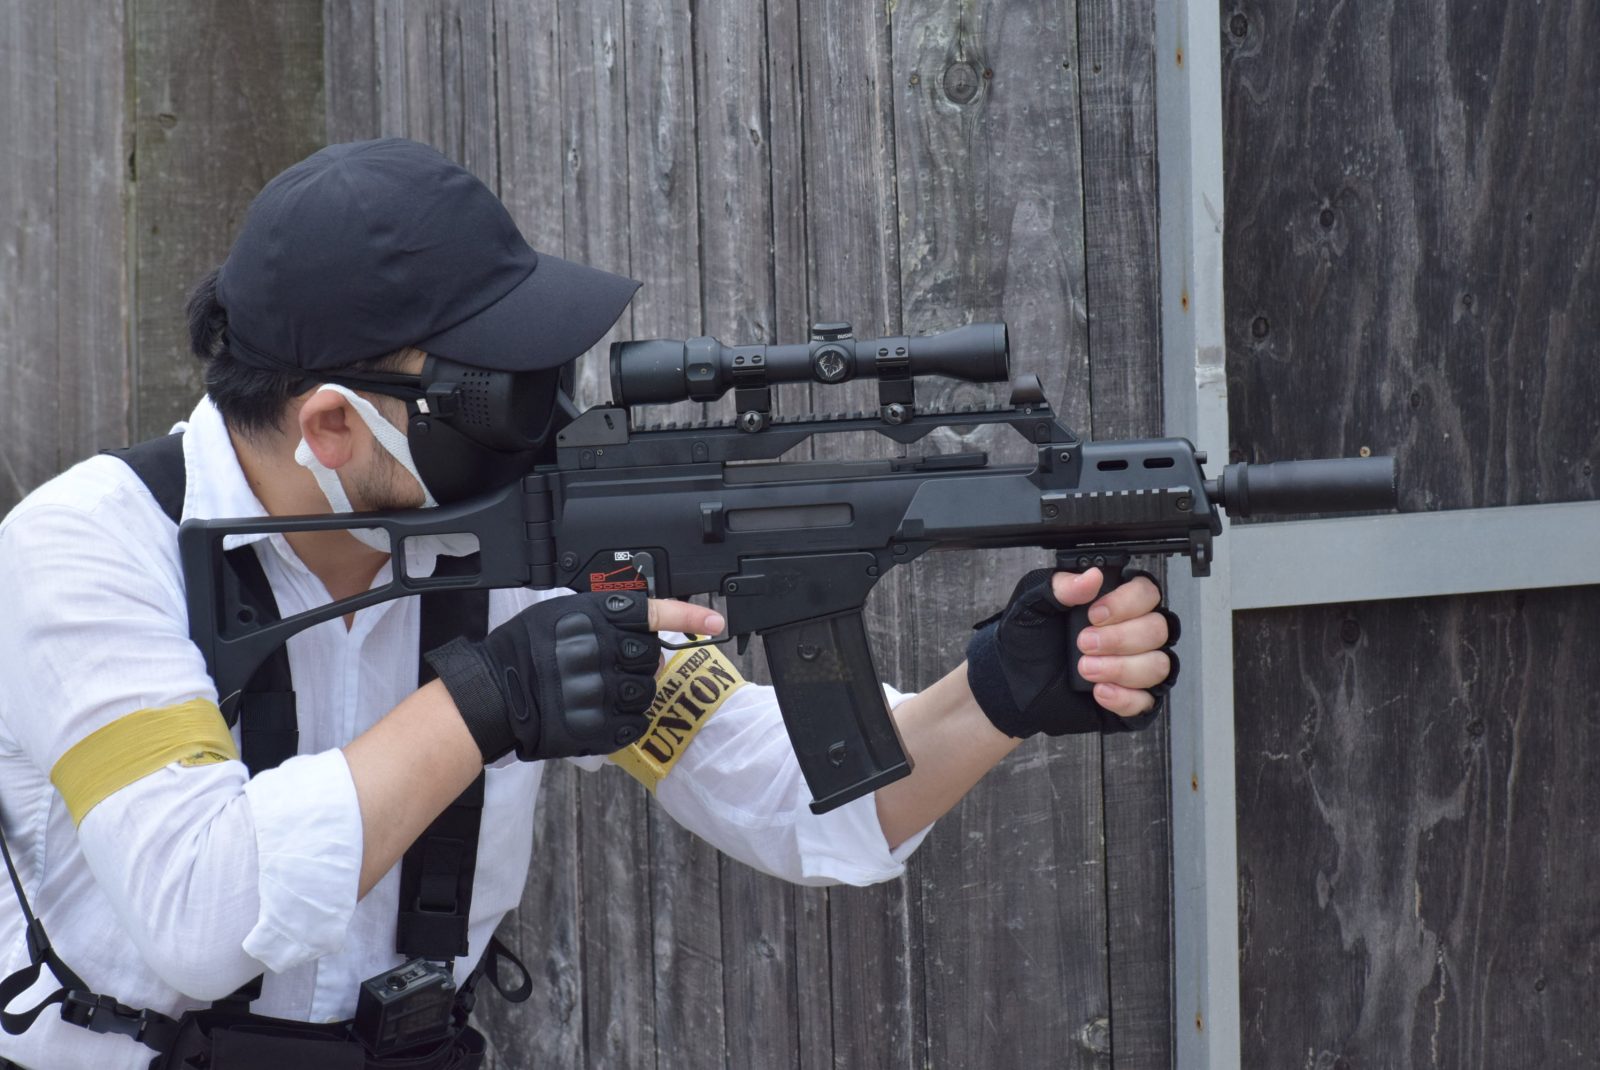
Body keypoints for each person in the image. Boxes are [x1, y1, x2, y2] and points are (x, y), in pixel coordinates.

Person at [0, 139, 1176, 1070]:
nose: (545, 417)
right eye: (498, 391)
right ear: (332, 425)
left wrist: (999, 690)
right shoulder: (90, 554)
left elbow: (795, 795)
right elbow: (199, 914)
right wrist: (485, 698)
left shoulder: (516, 539)